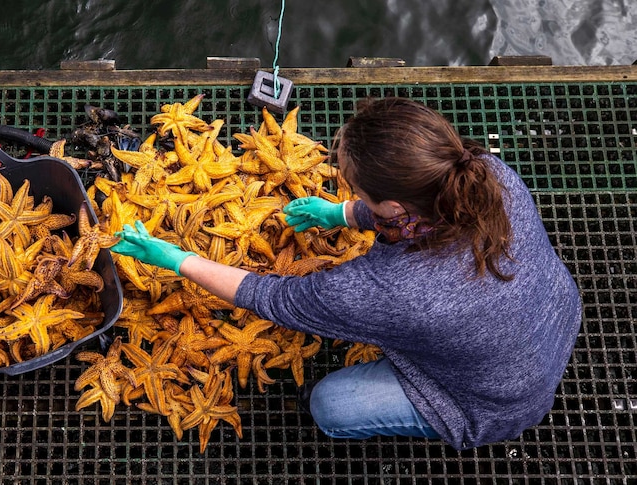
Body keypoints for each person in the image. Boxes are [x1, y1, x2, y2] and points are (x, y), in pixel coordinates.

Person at [110, 97, 582, 450]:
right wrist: (341, 214)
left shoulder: (390, 292)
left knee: (332, 407)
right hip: (553, 315)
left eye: (355, 187)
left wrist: (177, 259)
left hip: (493, 401)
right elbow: (413, 209)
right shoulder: (484, 172)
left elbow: (274, 298)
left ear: (393, 205)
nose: (347, 188)